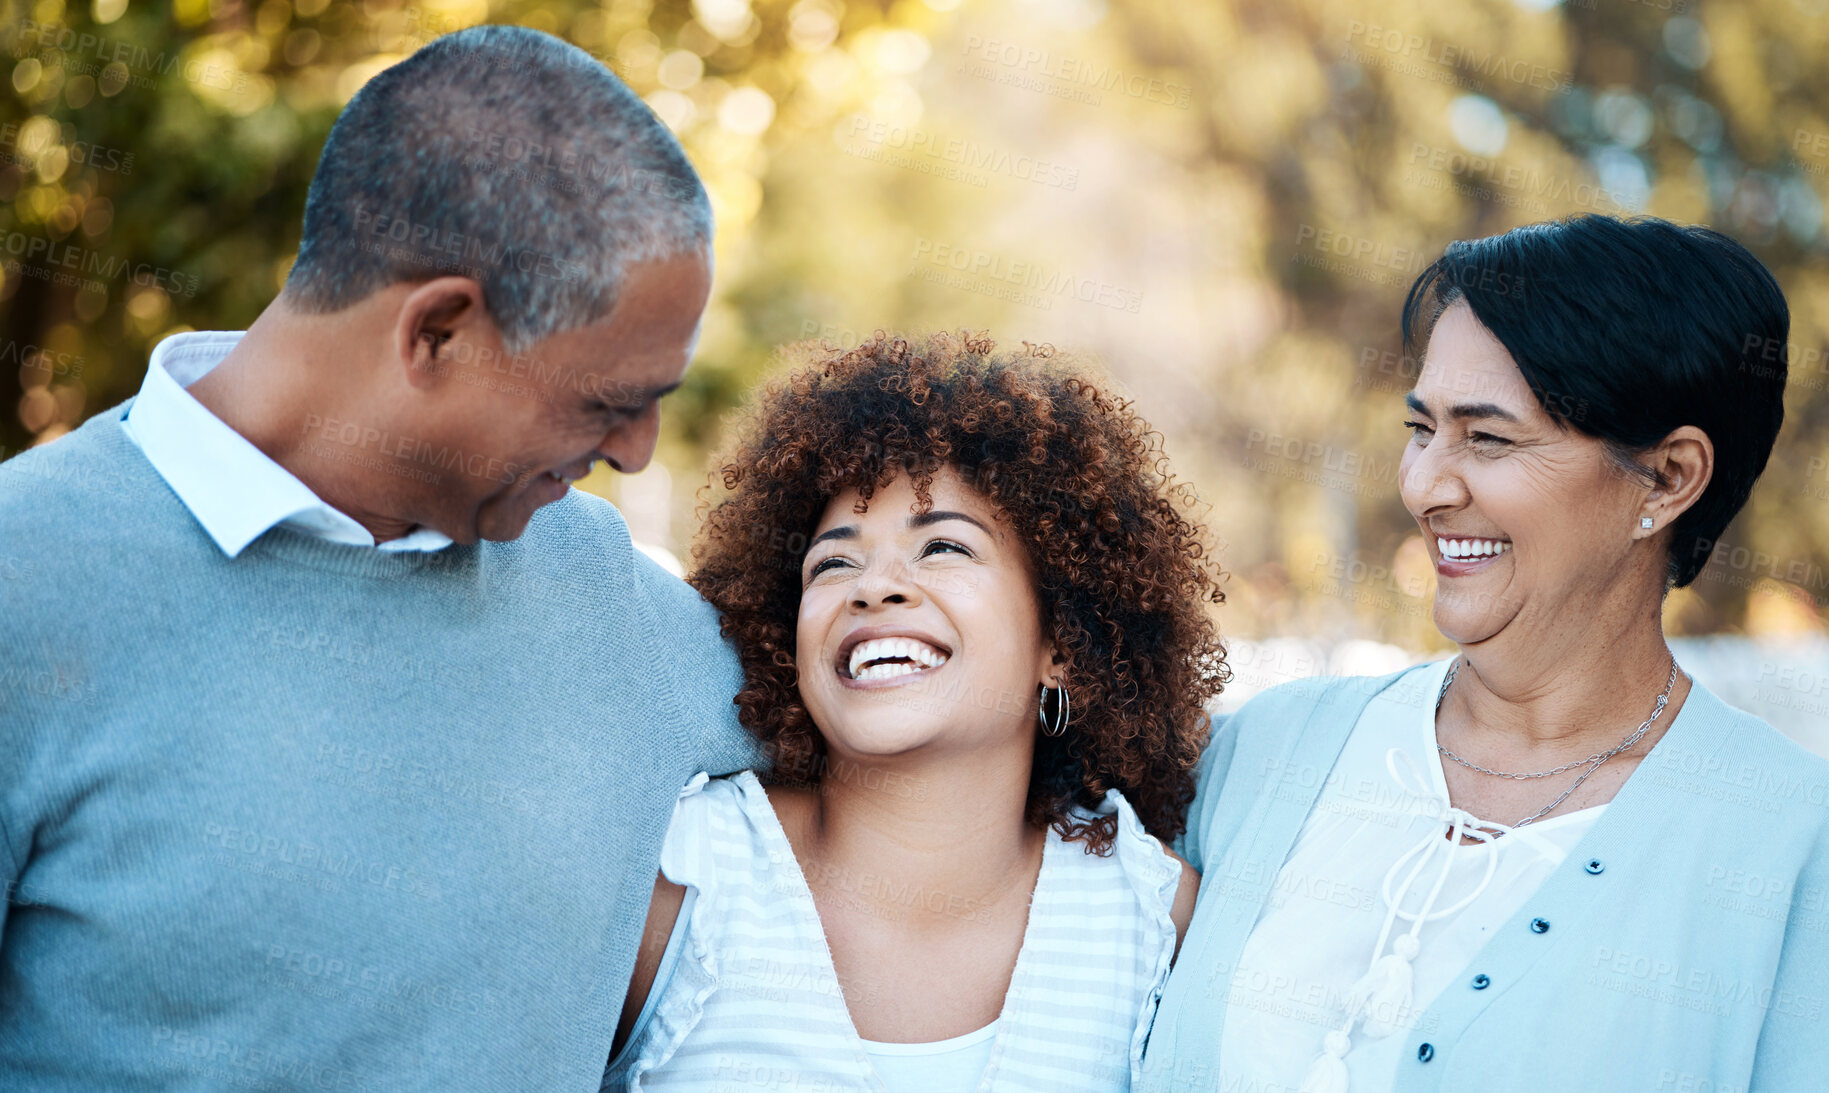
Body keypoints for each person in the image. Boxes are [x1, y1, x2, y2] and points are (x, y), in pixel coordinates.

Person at [0, 26, 760, 1090]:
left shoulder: (609, 595)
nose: (635, 455)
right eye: (607, 403)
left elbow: (951, 762)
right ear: (436, 332)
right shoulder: (24, 580)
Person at [1139, 214, 1829, 1093]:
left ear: (1667, 477)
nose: (1425, 484)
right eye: (1420, 428)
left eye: (1488, 437)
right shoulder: (1258, 754)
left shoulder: (1790, 848)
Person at [602, 332, 1230, 1091]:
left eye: (943, 549)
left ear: (1062, 641)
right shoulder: (679, 877)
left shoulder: (1153, 918)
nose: (874, 586)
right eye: (833, 562)